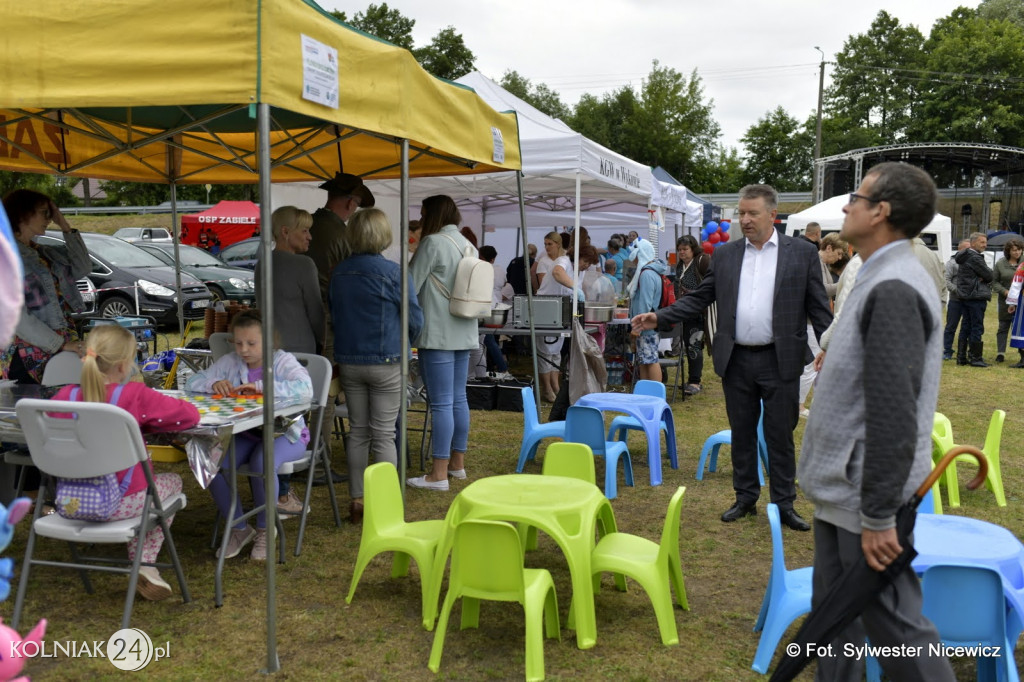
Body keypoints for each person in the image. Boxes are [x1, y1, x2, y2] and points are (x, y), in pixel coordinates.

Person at [798, 162, 955, 682]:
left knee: (897, 632)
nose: (846, 207)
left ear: (880, 212)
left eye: (855, 198)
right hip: (845, 488)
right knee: (832, 626)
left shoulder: (893, 284)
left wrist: (880, 515)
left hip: (863, 491)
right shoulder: (875, 271)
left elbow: (895, 410)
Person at [633, 184, 832, 531]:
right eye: (741, 213)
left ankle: (784, 503)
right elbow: (699, 298)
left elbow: (818, 305)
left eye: (752, 213)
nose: (744, 219)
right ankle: (745, 497)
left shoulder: (801, 253)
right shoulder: (726, 255)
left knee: (779, 433)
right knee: (742, 431)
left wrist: (829, 343)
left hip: (781, 358)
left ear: (773, 215)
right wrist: (660, 316)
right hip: (737, 359)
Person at [53, 324, 200, 601]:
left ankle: (144, 566)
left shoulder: (64, 397)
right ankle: (144, 563)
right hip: (121, 502)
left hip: (71, 502)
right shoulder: (134, 396)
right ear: (123, 366)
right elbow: (189, 416)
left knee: (152, 490)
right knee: (173, 483)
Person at [186, 310, 314, 561]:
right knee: (210, 461)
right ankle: (239, 528)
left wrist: (260, 386)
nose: (244, 349)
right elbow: (192, 381)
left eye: (251, 343)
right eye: (239, 342)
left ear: (269, 342)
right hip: (249, 433)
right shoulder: (231, 362)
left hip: (287, 433)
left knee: (262, 462)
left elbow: (305, 389)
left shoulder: (282, 361)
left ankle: (266, 530)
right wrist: (211, 384)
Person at [331, 208, 423, 522]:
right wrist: (404, 341)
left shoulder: (339, 272)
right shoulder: (397, 273)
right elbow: (415, 320)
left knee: (358, 432)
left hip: (350, 360)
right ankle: (384, 501)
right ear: (384, 235)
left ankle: (357, 500)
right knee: (384, 435)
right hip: (387, 359)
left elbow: (334, 315)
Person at [255, 205, 324, 517]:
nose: (310, 236)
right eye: (304, 230)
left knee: (271, 424)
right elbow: (315, 311)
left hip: (269, 352)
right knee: (294, 425)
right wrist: (324, 342)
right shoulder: (304, 265)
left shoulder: (261, 264)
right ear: (285, 232)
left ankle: (277, 489)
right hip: (300, 355)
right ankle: (281, 494)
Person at [307, 172, 374, 484]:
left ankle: (296, 456)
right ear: (350, 203)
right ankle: (318, 465)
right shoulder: (340, 235)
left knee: (299, 395)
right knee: (326, 395)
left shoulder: (310, 224)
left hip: (300, 322)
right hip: (328, 324)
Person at [407, 195, 477, 491]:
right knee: (458, 398)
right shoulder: (468, 244)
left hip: (437, 333)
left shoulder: (432, 243)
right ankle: (456, 464)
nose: (421, 220)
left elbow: (410, 284)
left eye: (423, 214)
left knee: (441, 403)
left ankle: (438, 474)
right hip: (465, 330)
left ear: (432, 215)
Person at [2, 189, 90, 383]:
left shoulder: (44, 253)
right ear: (23, 214)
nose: (49, 219)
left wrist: (65, 225)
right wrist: (59, 345)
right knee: (33, 409)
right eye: (44, 213)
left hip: (60, 344)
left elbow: (83, 267)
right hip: (29, 353)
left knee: (62, 407)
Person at [798, 234, 845, 417]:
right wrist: (844, 283)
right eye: (839, 253)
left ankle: (816, 403)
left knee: (818, 365)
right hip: (810, 322)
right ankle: (799, 405)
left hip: (815, 321)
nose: (840, 258)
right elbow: (822, 290)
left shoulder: (822, 263)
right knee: (811, 366)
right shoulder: (816, 262)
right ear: (829, 248)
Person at [534, 230, 575, 402]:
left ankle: (555, 386)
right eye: (545, 244)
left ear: (558, 244)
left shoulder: (562, 260)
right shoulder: (554, 262)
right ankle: (547, 389)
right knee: (545, 351)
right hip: (546, 308)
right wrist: (576, 287)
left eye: (549, 244)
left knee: (555, 351)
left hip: (557, 309)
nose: (547, 247)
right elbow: (557, 275)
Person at [672, 235, 710, 396]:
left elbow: (710, 285)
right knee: (688, 346)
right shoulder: (680, 266)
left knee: (694, 345)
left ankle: (695, 381)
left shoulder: (702, 261)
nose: (682, 252)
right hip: (683, 311)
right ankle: (691, 379)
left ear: (693, 249)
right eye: (680, 249)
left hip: (698, 311)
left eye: (685, 249)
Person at [954, 231, 994, 367]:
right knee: (976, 327)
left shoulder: (964, 256)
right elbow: (989, 275)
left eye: (986, 242)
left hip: (965, 296)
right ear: (973, 243)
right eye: (982, 242)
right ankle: (975, 358)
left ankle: (961, 357)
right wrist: (984, 276)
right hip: (976, 296)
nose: (985, 245)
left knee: (966, 326)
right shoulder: (975, 257)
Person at [477, 245, 513, 380]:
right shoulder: (499, 270)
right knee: (488, 341)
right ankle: (494, 368)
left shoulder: (481, 269)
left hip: (486, 306)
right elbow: (505, 284)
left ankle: (501, 368)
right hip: (496, 306)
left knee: (486, 342)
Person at [992, 238, 1023, 362]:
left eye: (1019, 250)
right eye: (1014, 250)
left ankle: (1022, 354)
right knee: (1003, 326)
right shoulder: (1000, 263)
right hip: (1005, 300)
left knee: (1021, 328)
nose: (1017, 252)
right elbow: (994, 282)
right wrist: (1005, 291)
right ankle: (1000, 353)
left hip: (1022, 301)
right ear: (1008, 251)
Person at [942, 239, 971, 361]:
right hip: (956, 300)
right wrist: (958, 291)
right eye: (966, 249)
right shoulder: (951, 263)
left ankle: (964, 351)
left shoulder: (974, 262)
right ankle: (947, 350)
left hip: (970, 300)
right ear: (959, 249)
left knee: (968, 327)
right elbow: (946, 281)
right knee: (951, 326)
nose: (969, 251)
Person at [1005, 260, 1024, 367]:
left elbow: (1016, 284)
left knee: (1021, 329)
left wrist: (1011, 303)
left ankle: (1023, 360)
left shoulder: (1022, 266)